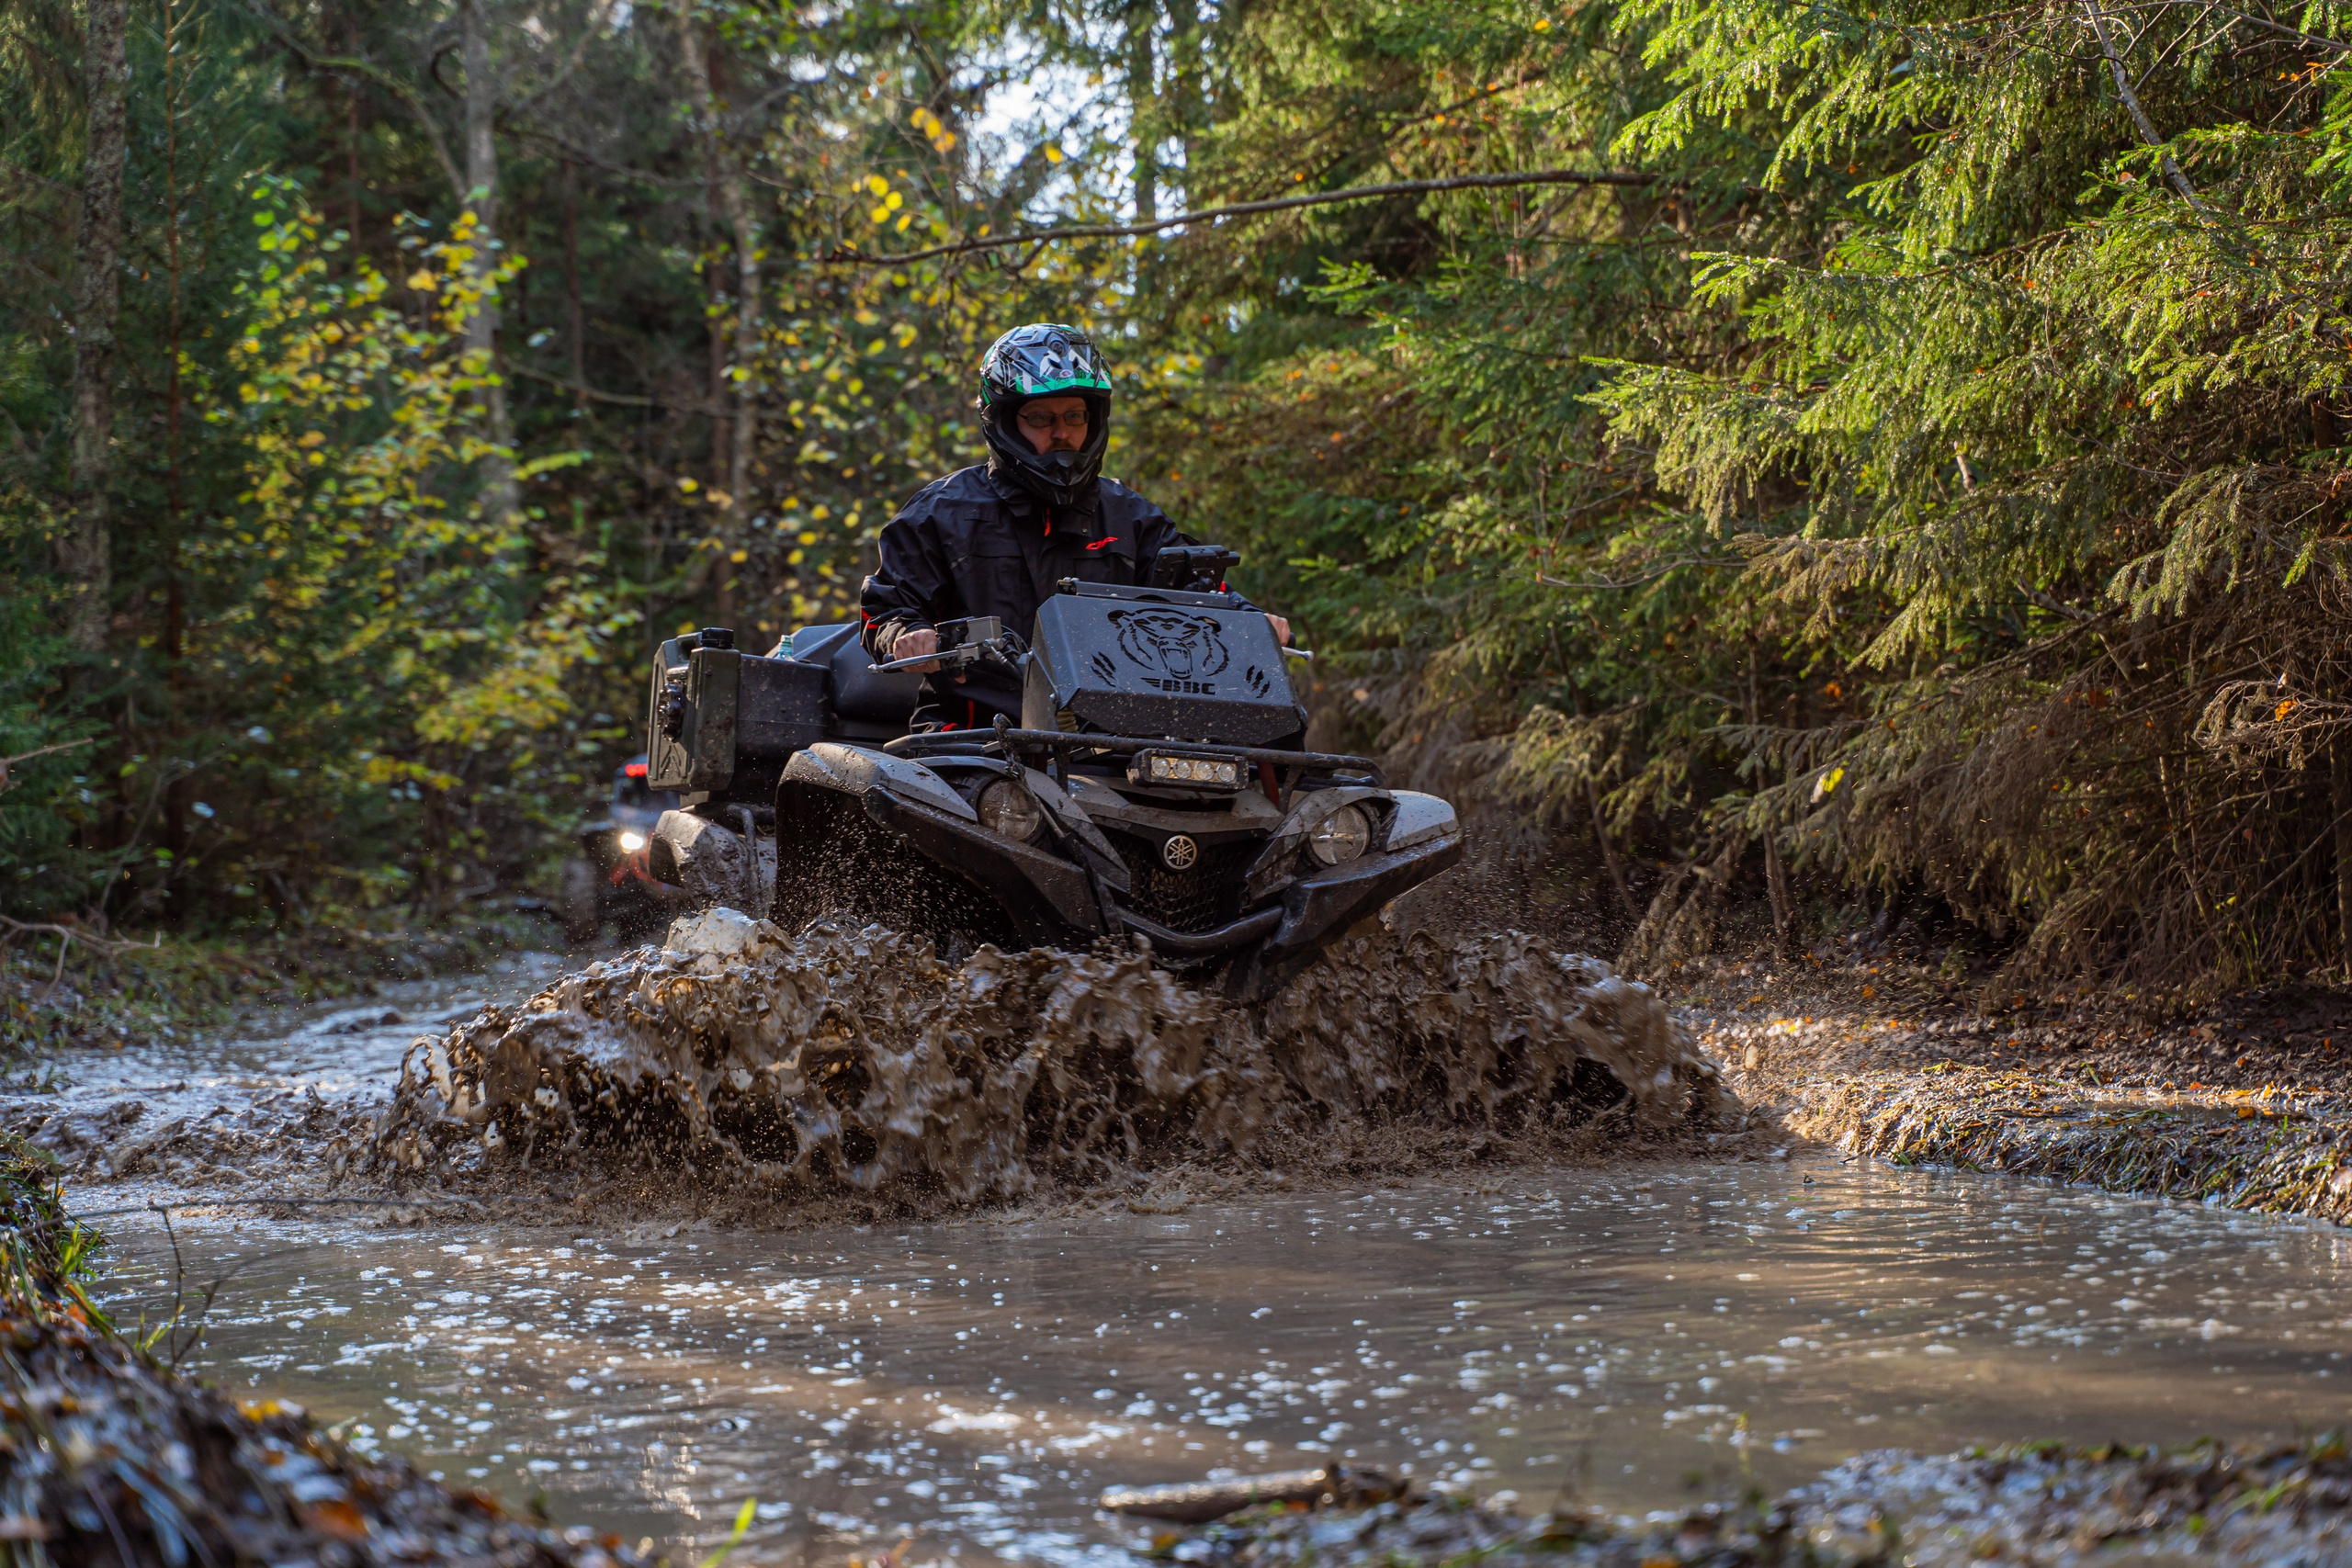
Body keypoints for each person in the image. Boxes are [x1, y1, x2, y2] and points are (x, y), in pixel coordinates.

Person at [859, 322, 1289, 731]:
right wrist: (908, 635)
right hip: (973, 733)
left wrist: (1253, 622)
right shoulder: (943, 512)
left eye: (1075, 417)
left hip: (1112, 738)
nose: (1062, 433)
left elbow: (1193, 590)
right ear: (1006, 422)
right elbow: (886, 607)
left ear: (1095, 420)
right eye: (1041, 418)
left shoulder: (1130, 515)